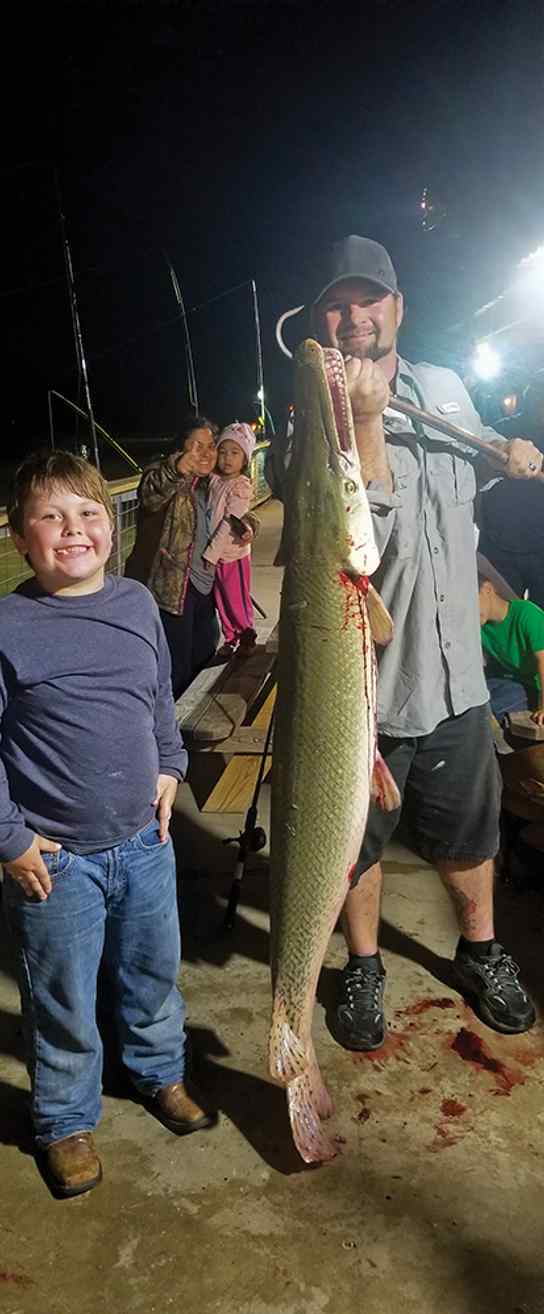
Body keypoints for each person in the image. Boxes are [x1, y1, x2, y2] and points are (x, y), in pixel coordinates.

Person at [289, 234, 544, 1049]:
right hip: (368, 679)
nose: (355, 314)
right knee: (354, 838)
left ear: (399, 307)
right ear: (324, 317)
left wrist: (510, 457)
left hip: (456, 672)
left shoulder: (443, 386)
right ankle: (363, 962)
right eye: (340, 302)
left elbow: (467, 476)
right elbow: (358, 529)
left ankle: (481, 948)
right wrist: (363, 419)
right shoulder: (316, 408)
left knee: (473, 829)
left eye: (370, 299)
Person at [0, 450, 216, 1200]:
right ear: (20, 539)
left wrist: (170, 763)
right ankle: (63, 1118)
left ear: (111, 522)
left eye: (89, 512)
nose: (74, 529)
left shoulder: (134, 604)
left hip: (146, 843)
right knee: (59, 995)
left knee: (153, 973)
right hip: (55, 863)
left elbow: (157, 692)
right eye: (51, 517)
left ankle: (159, 1072)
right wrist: (7, 838)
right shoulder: (3, 628)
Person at [125, 416, 256, 697]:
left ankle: (187, 728)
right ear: (180, 448)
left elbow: (235, 508)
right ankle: (169, 733)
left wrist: (250, 523)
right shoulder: (161, 473)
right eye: (197, 446)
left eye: (211, 446)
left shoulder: (211, 481)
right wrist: (176, 469)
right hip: (172, 594)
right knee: (176, 669)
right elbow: (150, 494)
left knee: (204, 655)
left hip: (206, 586)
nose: (207, 453)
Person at [477, 373, 544, 610]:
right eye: (537, 393)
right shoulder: (503, 432)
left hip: (540, 550)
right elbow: (476, 472)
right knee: (500, 627)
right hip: (499, 549)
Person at [204, 422, 257, 658]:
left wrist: (212, 553)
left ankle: (246, 634)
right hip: (216, 554)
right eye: (223, 452)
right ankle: (231, 638)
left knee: (236, 599)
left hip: (232, 555)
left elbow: (229, 522)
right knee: (221, 600)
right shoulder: (214, 480)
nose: (227, 458)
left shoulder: (241, 486)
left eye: (234, 453)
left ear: (244, 460)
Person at [479, 574, 544, 725]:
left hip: (536, 686)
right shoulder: (480, 625)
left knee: (491, 707)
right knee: (474, 702)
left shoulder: (526, 613)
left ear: (488, 589)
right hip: (513, 681)